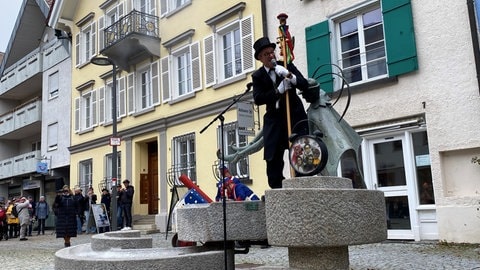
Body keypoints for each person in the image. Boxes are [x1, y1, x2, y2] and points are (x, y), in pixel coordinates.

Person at [251, 36, 309, 189]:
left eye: (272, 52)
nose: (271, 56)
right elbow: (258, 98)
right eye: (266, 54)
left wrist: (290, 76)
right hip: (274, 120)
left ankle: (301, 186)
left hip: (294, 115)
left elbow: (304, 84)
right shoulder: (257, 76)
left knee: (299, 151)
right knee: (272, 157)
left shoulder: (286, 65)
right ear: (260, 58)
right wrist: (278, 91)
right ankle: (277, 190)